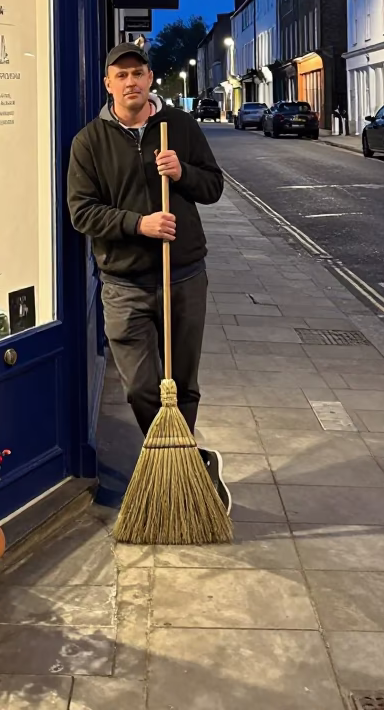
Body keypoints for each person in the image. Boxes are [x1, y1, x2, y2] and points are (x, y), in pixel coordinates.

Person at [67, 42, 230, 511]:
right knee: (141, 383)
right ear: (108, 84)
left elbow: (214, 186)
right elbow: (82, 212)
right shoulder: (89, 142)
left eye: (138, 73)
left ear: (150, 77)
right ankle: (187, 460)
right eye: (121, 76)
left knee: (183, 380)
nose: (131, 82)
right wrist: (137, 224)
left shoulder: (178, 126)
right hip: (124, 283)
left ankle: (180, 467)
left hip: (182, 274)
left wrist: (181, 173)